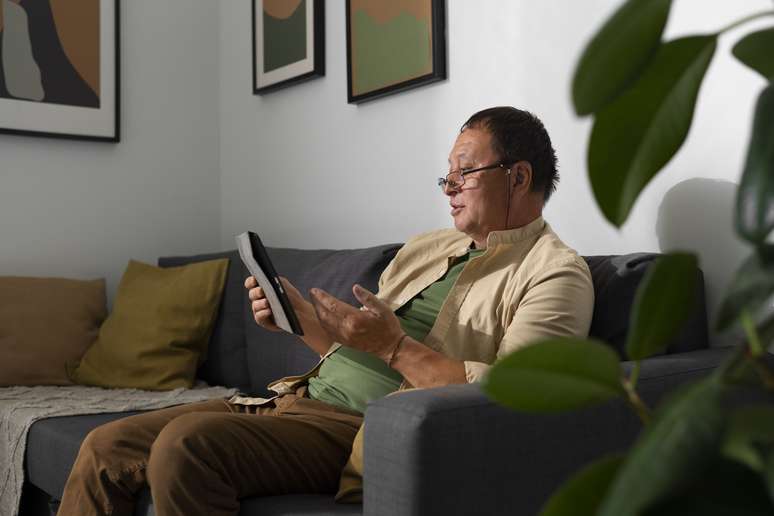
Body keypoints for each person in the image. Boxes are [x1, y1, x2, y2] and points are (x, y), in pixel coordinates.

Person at [57, 107, 594, 516]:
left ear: (519, 177)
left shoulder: (554, 272)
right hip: (294, 396)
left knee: (187, 445)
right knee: (105, 444)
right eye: (446, 174)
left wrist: (392, 344)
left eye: (465, 171)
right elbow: (355, 357)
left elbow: (519, 399)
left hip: (357, 429)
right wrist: (301, 324)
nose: (449, 186)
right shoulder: (428, 248)